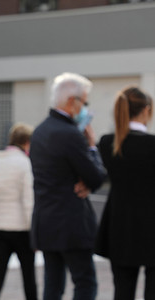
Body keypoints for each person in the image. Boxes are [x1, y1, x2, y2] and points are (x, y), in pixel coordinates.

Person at [29, 72, 106, 300]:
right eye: (85, 101)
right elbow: (96, 177)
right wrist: (92, 146)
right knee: (85, 282)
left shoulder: (40, 131)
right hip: (71, 223)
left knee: (52, 286)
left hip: (45, 221)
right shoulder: (71, 134)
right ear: (72, 101)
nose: (85, 108)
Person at [96, 86, 155, 300]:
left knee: (122, 291)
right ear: (146, 110)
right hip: (151, 227)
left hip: (120, 226)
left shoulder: (106, 143)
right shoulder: (151, 145)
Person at [0, 123, 37, 300]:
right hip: (22, 228)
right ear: (27, 142)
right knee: (29, 277)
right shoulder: (25, 164)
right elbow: (29, 201)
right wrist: (34, 231)